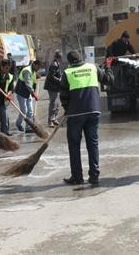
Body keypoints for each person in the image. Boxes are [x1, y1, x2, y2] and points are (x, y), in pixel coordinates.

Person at [60, 50, 113, 185]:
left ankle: (77, 177)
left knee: (74, 146)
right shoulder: (93, 67)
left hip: (75, 114)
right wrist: (107, 66)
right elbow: (109, 80)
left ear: (70, 62)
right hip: (93, 111)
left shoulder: (67, 73)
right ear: (82, 58)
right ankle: (94, 176)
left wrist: (67, 109)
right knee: (93, 144)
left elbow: (64, 96)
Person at [14, 60, 42, 133]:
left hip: (28, 93)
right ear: (35, 64)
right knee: (24, 111)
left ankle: (28, 128)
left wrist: (34, 93)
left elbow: (34, 83)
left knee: (30, 111)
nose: (38, 69)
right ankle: (18, 124)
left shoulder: (34, 72)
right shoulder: (27, 70)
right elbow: (28, 83)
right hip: (21, 93)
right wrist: (33, 93)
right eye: (38, 67)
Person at [44, 50, 63, 127]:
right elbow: (50, 76)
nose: (61, 59)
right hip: (52, 87)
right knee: (53, 103)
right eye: (60, 57)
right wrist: (59, 80)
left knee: (57, 103)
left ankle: (54, 118)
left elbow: (58, 74)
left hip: (56, 87)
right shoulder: (54, 64)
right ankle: (50, 121)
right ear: (58, 58)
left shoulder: (57, 63)